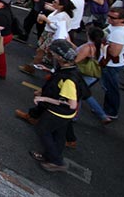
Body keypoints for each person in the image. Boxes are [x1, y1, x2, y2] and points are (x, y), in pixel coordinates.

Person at [27, 40, 85, 173]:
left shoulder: (68, 79)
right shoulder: (70, 69)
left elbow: (72, 104)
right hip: (65, 115)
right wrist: (48, 71)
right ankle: (50, 156)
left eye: (53, 53)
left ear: (59, 56)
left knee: (43, 130)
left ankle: (56, 161)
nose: (51, 54)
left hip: (59, 112)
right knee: (59, 135)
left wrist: (44, 98)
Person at [19, 0, 75, 75]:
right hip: (48, 33)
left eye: (55, 2)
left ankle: (31, 67)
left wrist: (46, 20)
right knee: (47, 52)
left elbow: (57, 27)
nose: (53, 3)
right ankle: (53, 67)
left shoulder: (63, 16)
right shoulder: (57, 11)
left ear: (61, 6)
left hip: (52, 35)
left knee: (40, 51)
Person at [74, 26, 113, 124]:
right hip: (93, 74)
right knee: (85, 94)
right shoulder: (101, 46)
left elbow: (76, 60)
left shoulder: (88, 47)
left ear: (88, 34)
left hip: (84, 73)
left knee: (77, 94)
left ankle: (74, 116)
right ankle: (103, 115)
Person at [101, 7, 124, 120]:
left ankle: (111, 111)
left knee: (111, 89)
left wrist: (103, 45)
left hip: (111, 66)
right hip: (108, 64)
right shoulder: (113, 27)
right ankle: (107, 108)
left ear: (122, 19)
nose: (109, 19)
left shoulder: (118, 33)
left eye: (113, 18)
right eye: (109, 16)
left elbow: (114, 52)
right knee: (108, 88)